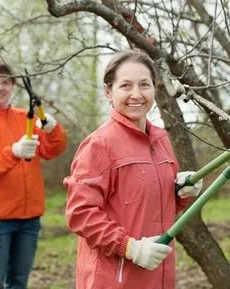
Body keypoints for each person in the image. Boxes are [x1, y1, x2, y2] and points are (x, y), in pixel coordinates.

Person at [63, 50, 203, 289]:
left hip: (158, 275)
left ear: (154, 89)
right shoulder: (99, 145)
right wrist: (130, 247)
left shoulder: (161, 141)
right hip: (115, 279)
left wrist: (181, 193)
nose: (136, 94)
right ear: (109, 92)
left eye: (144, 85)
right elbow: (81, 214)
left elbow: (151, 203)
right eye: (126, 85)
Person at [0, 58, 67, 289]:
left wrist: (52, 130)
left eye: (4, 82)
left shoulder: (25, 117)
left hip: (28, 219)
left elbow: (53, 150)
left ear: (13, 85)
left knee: (19, 283)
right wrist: (14, 151)